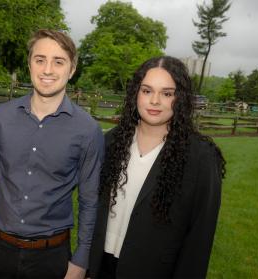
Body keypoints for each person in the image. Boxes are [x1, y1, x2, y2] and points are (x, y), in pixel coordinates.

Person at [0, 29, 104, 279]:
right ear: (29, 64)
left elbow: (89, 200)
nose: (47, 70)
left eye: (58, 61)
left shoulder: (88, 130)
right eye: (40, 60)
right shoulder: (0, 118)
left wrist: (81, 259)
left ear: (72, 70)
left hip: (50, 258)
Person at [88, 56, 226, 278]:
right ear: (136, 94)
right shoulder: (111, 143)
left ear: (180, 98)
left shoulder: (202, 158)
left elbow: (199, 239)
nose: (155, 101)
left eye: (167, 93)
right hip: (100, 267)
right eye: (147, 91)